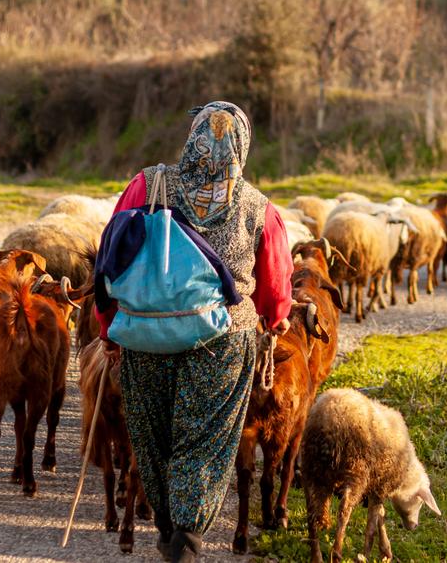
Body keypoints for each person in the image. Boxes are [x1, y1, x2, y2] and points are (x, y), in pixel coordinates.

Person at [94, 101, 293, 562]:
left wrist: (110, 331)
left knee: (154, 433)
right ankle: (187, 534)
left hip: (146, 333)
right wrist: (273, 320)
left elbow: (111, 260)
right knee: (206, 437)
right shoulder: (258, 208)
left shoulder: (147, 185)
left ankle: (168, 525)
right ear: (242, 147)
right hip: (223, 340)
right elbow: (277, 286)